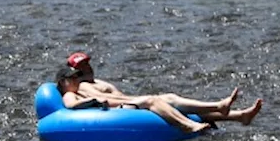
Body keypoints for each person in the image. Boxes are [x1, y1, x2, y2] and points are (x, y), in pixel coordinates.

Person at [56, 52, 262, 133]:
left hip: (128, 104)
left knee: (170, 98)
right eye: (80, 70)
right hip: (117, 111)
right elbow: (72, 104)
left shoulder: (92, 81)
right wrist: (95, 101)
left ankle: (236, 114)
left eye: (87, 65)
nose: (87, 69)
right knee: (154, 101)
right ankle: (187, 126)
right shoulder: (79, 88)